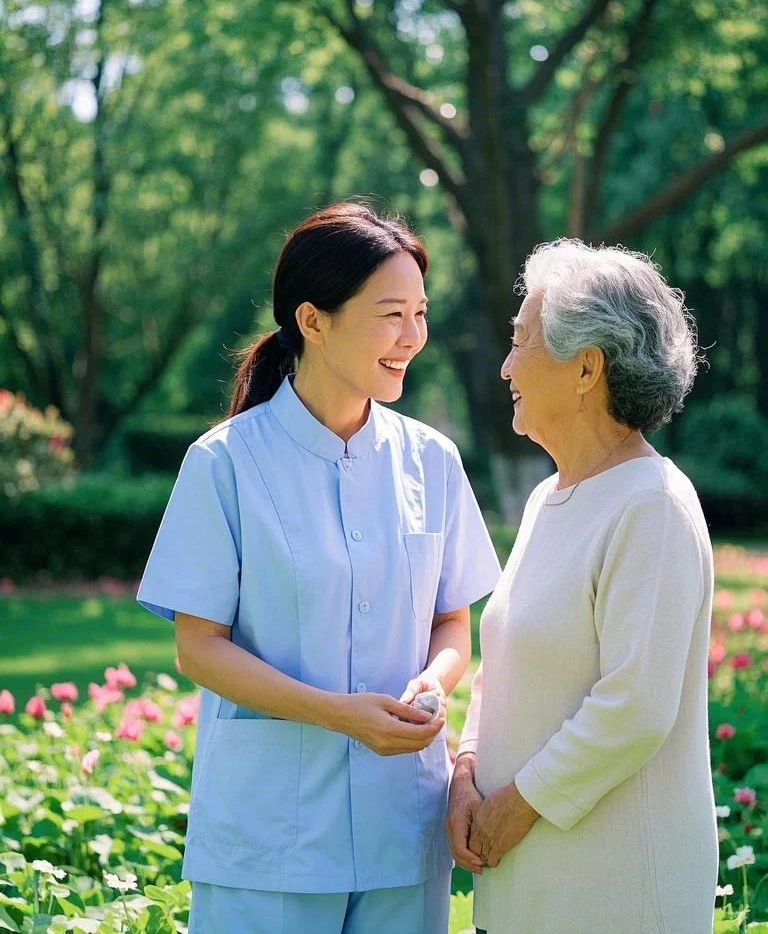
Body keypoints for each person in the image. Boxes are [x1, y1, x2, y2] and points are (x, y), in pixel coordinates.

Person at [137, 202, 501, 934]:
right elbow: (198, 646)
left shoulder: (432, 460)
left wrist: (436, 678)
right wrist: (338, 715)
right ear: (313, 319)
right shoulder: (224, 464)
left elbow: (453, 619)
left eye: (420, 313)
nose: (412, 337)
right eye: (390, 313)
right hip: (272, 838)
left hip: (403, 825)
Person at [446, 239, 718, 934]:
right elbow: (500, 664)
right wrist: (467, 772)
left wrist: (514, 806)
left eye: (521, 342)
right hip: (522, 893)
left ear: (586, 368)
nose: (506, 366)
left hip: (613, 898)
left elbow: (635, 707)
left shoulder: (650, 505)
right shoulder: (547, 499)